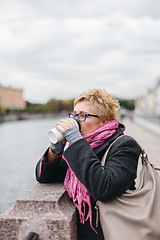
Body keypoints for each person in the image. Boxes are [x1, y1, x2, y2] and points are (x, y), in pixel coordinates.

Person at [35, 89, 141, 240]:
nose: (76, 120)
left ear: (103, 121)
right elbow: (43, 177)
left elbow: (104, 188)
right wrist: (55, 151)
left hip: (112, 232)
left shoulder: (124, 145)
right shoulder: (82, 147)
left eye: (82, 116)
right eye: (74, 115)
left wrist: (76, 141)